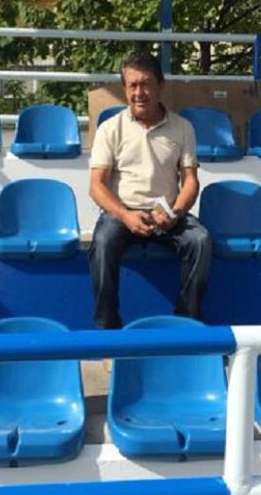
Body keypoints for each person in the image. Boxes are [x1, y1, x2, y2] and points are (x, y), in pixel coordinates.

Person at [88, 50, 212, 330]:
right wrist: (125, 215)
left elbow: (190, 181)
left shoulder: (183, 128)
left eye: (145, 84)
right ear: (125, 89)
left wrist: (177, 212)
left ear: (160, 86)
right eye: (132, 85)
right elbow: (96, 186)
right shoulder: (110, 129)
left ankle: (186, 324)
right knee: (103, 245)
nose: (139, 92)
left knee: (200, 241)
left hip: (167, 212)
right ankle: (108, 332)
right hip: (123, 212)